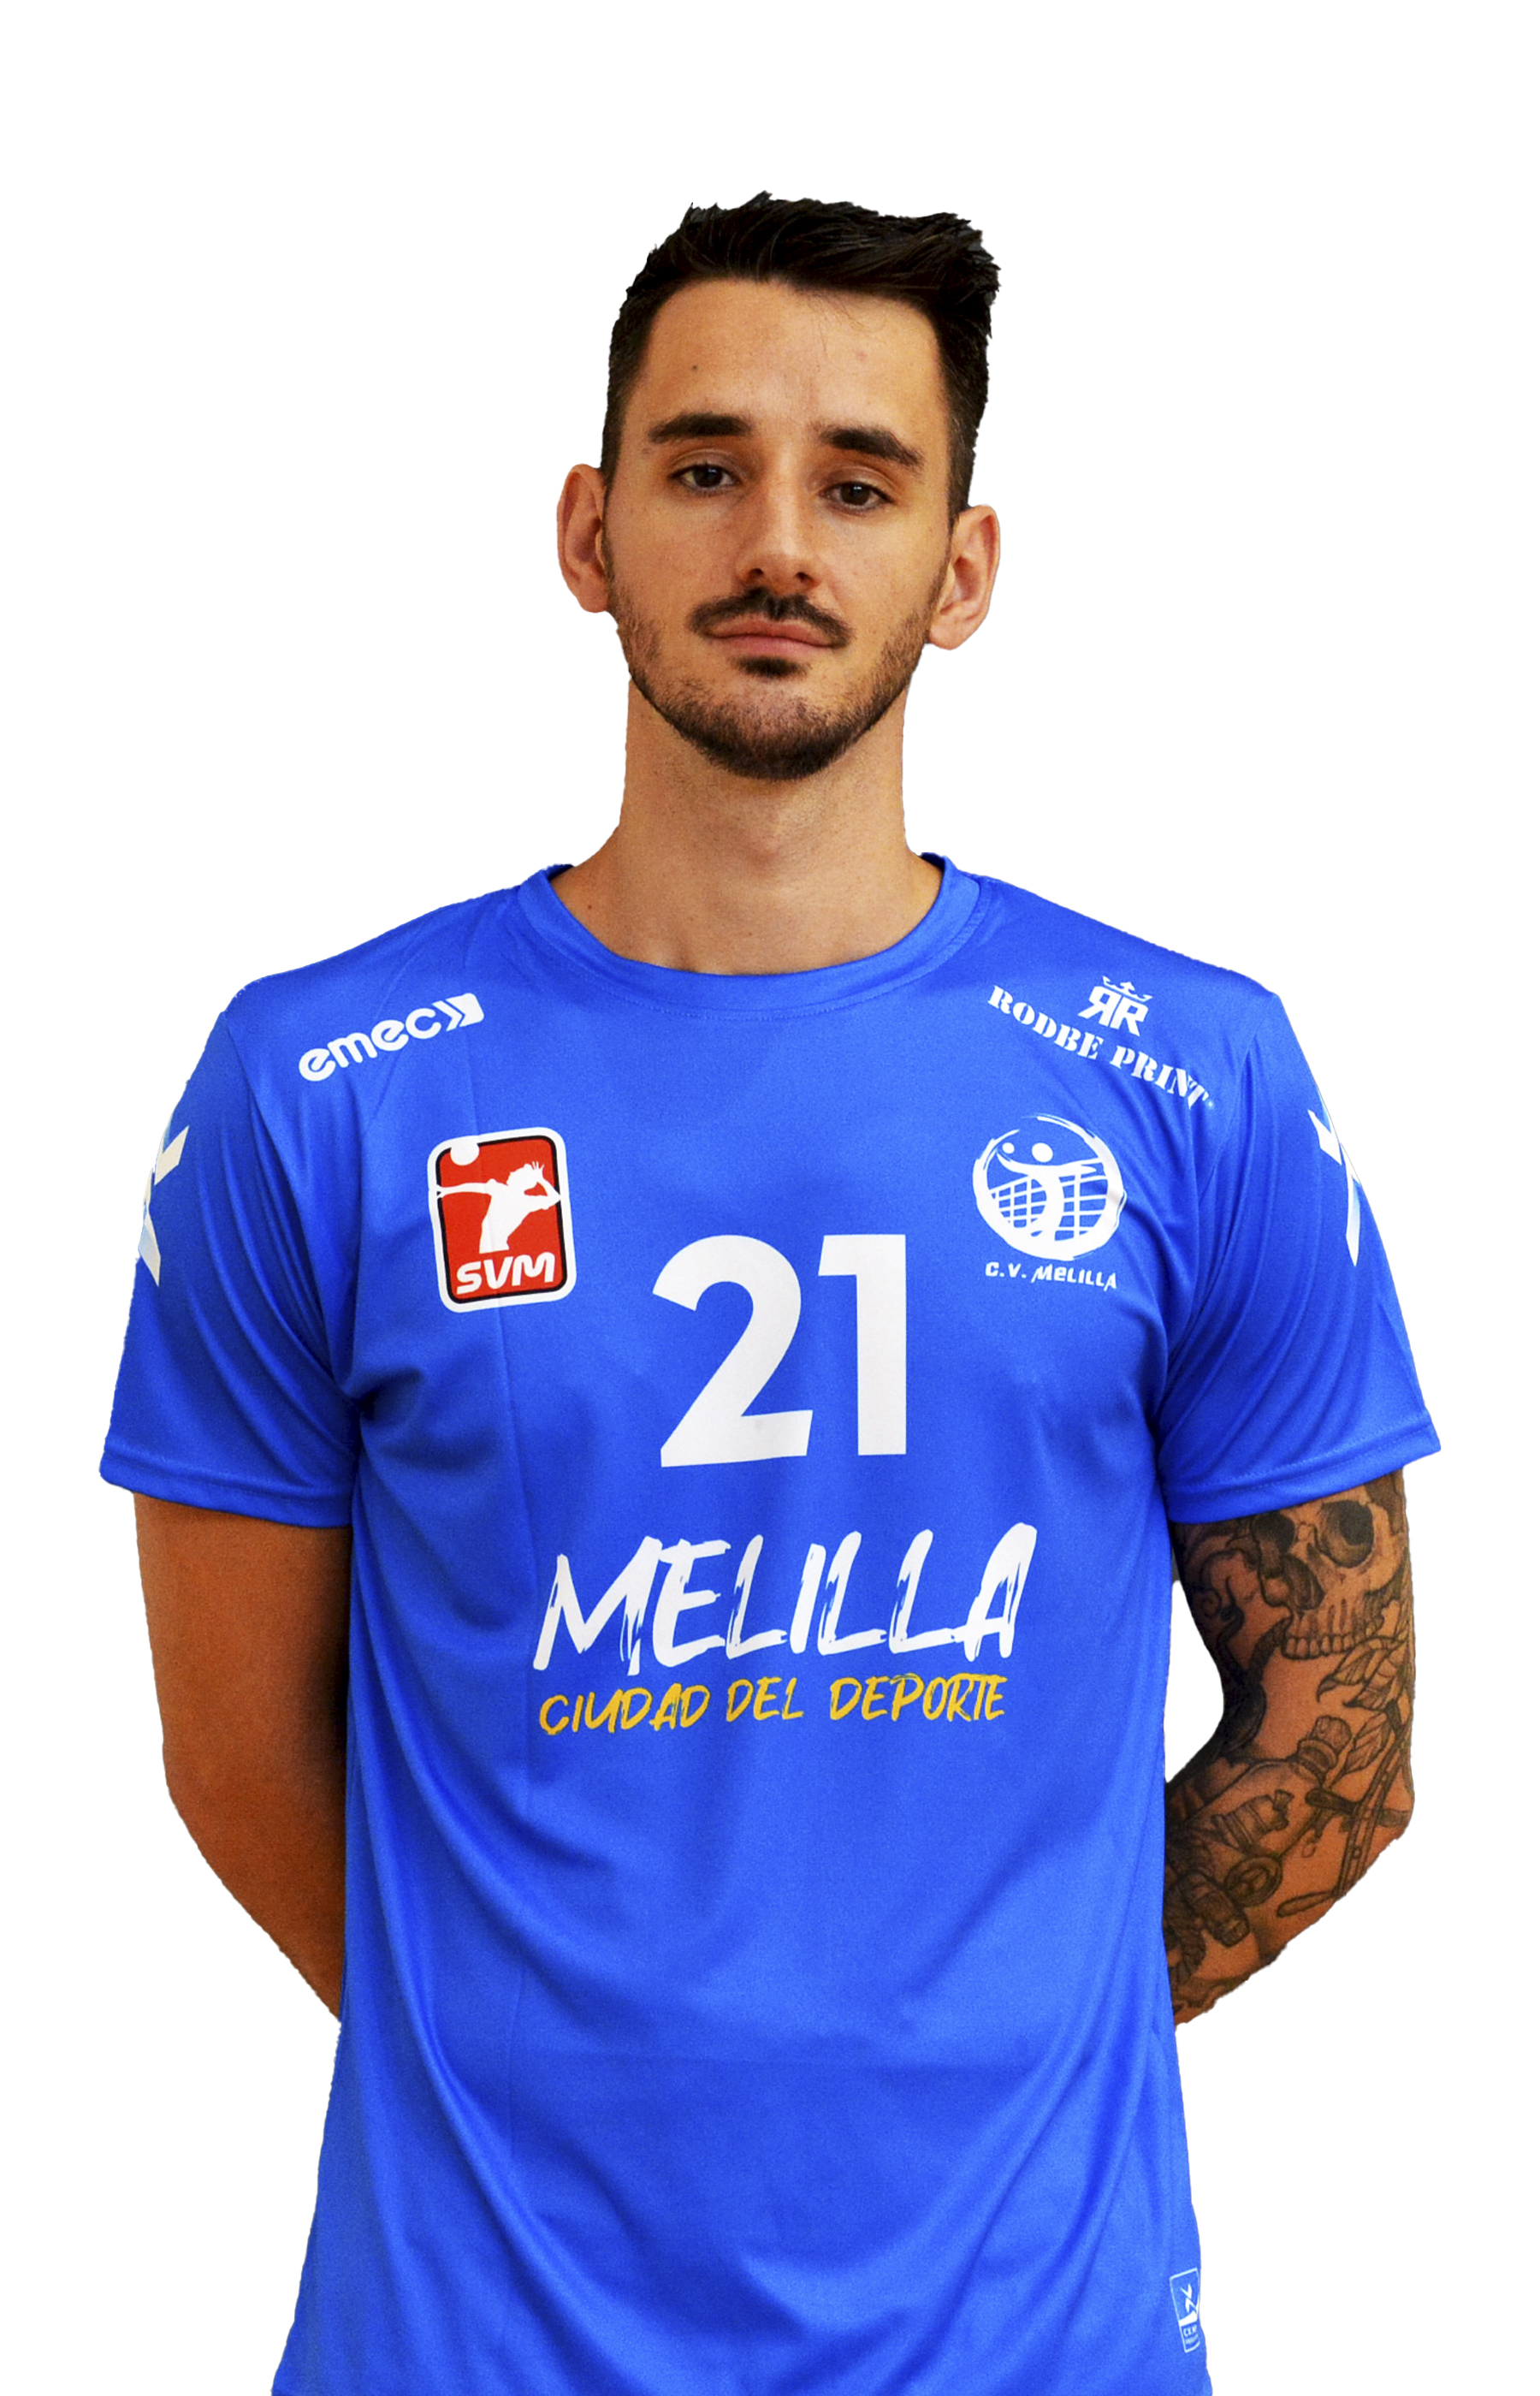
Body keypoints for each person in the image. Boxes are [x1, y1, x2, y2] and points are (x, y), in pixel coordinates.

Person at [103, 194, 1437, 2395]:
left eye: (861, 482)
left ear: (965, 568)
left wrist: (1001, 2061)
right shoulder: (321, 1086)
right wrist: (559, 2085)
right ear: (589, 530)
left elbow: (1345, 1742)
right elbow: (243, 1755)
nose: (778, 543)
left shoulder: (1189, 1079)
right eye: (706, 466)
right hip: (474, 2342)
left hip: (1031, 2344)